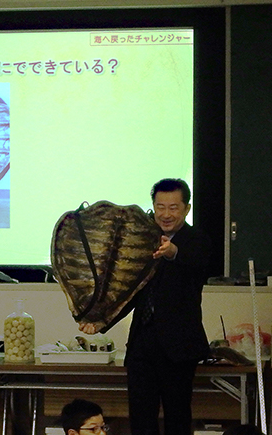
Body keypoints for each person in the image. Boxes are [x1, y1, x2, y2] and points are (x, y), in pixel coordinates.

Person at [80, 178, 211, 435]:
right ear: (153, 205)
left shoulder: (197, 241)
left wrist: (173, 252)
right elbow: (129, 292)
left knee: (177, 417)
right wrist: (100, 321)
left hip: (179, 347)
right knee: (140, 418)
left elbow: (196, 266)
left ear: (186, 208)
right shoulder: (141, 242)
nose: (165, 214)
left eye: (173, 208)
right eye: (160, 206)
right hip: (142, 345)